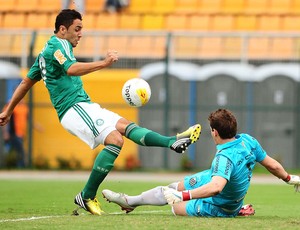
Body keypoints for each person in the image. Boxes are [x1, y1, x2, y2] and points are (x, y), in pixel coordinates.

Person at [0, 9, 201, 216]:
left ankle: (172, 142)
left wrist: (8, 110)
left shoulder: (46, 53)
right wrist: (104, 63)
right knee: (115, 140)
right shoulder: (57, 46)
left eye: (81, 29)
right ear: (62, 29)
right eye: (77, 29)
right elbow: (71, 69)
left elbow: (26, 82)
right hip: (73, 108)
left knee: (125, 126)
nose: (80, 34)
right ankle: (87, 195)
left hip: (83, 105)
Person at [102, 108, 300, 217]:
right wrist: (289, 178)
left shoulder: (224, 158)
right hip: (215, 178)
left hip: (220, 206)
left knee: (175, 204)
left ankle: (130, 202)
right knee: (171, 187)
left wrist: (183, 196)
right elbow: (272, 165)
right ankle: (130, 202)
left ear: (214, 132)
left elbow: (216, 187)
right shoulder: (248, 140)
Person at [2, 99, 28, 168]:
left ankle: (15, 166)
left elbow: (28, 119)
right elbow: (4, 118)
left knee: (16, 150)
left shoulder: (24, 107)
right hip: (13, 133)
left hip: (21, 133)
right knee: (20, 150)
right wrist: (5, 132)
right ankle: (20, 167)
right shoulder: (10, 105)